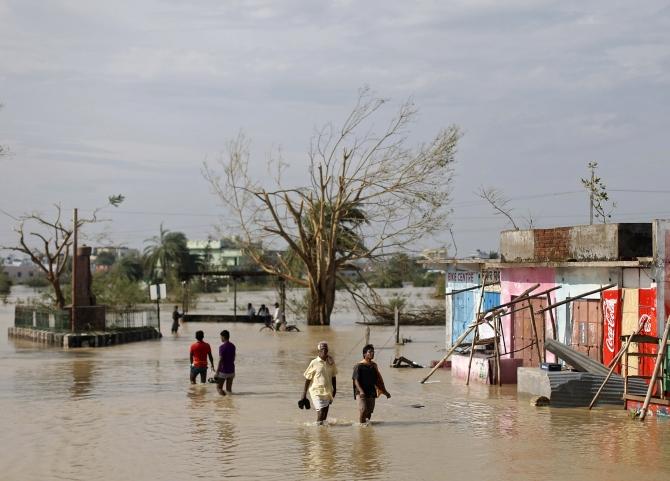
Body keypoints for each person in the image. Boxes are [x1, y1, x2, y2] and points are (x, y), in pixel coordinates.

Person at [352, 344, 390, 424]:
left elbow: (378, 380)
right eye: (370, 352)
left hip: (371, 391)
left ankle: (366, 430)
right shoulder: (359, 366)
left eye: (373, 352)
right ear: (364, 354)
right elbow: (356, 380)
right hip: (360, 392)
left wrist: (385, 392)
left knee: (369, 412)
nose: (372, 353)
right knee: (363, 410)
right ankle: (362, 427)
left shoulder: (374, 366)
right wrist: (361, 391)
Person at [301, 341, 337, 424]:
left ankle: (322, 434)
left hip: (327, 391)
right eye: (322, 349)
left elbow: (334, 376)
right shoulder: (314, 362)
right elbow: (308, 378)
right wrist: (304, 394)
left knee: (324, 415)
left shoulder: (331, 363)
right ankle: (318, 431)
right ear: (318, 351)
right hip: (316, 391)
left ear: (327, 350)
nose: (324, 351)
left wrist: (334, 390)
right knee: (321, 413)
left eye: (325, 349)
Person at [215, 330, 236, 396]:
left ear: (223, 337)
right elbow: (234, 357)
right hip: (232, 370)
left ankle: (224, 401)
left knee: (219, 388)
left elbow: (220, 360)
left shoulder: (222, 347)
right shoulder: (233, 346)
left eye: (221, 337)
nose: (220, 338)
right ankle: (229, 402)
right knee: (229, 390)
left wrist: (217, 372)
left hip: (223, 371)